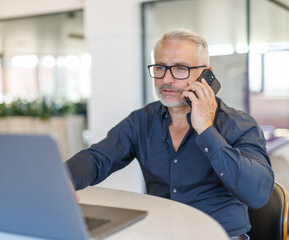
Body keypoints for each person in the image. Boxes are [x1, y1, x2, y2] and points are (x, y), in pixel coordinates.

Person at [66, 29, 274, 240]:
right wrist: (63, 179)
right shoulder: (142, 121)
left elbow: (257, 194)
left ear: (206, 74)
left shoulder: (238, 124)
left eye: (180, 69)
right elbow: (98, 158)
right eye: (160, 68)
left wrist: (206, 130)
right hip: (161, 233)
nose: (166, 79)